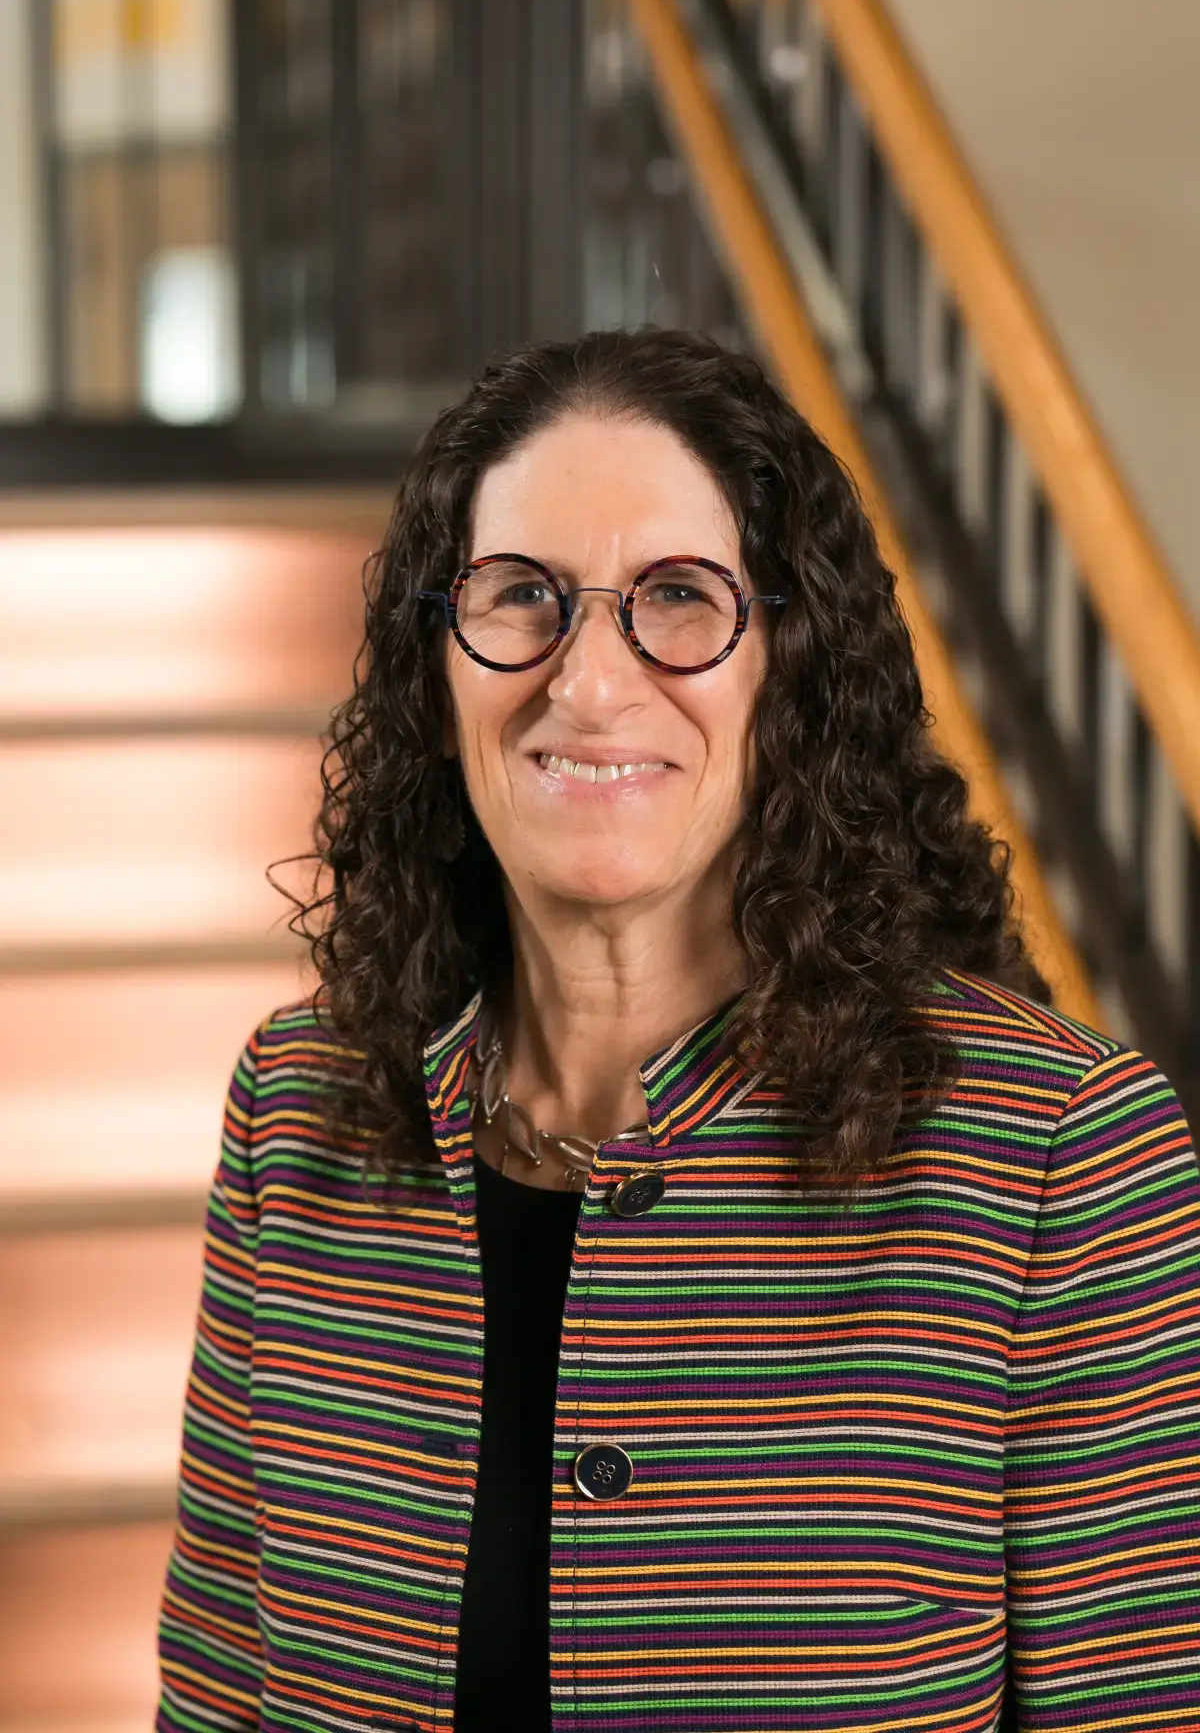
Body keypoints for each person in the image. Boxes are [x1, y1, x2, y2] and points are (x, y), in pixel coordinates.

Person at [155, 327, 1200, 1733]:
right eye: (521, 596)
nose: (588, 684)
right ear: (435, 661)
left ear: (796, 664)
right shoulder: (301, 1113)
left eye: (681, 599)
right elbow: (219, 1702)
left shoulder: (1060, 1161)